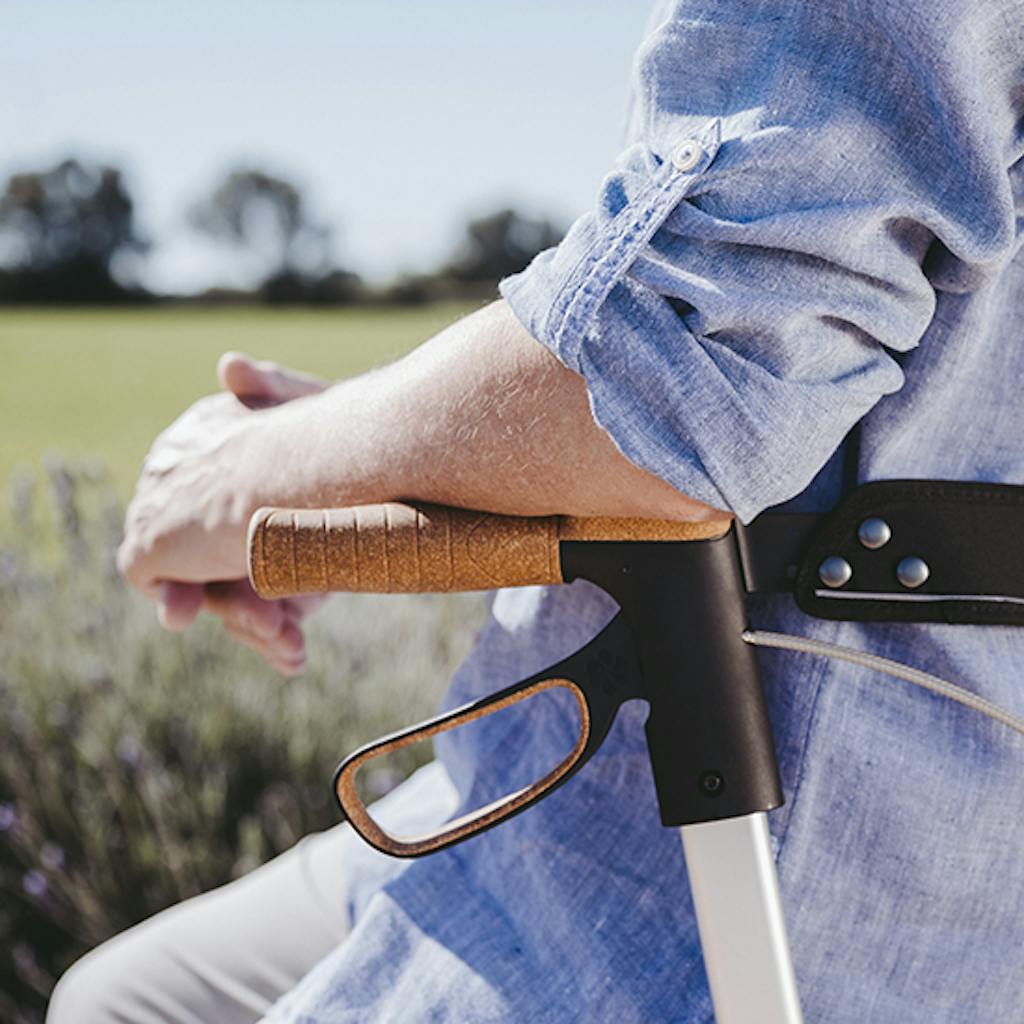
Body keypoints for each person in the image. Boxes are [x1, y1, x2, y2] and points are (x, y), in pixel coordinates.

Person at [49, 1, 1024, 1020]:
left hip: (725, 868)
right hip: (905, 833)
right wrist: (368, 452)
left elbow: (677, 383)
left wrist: (231, 481)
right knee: (121, 992)